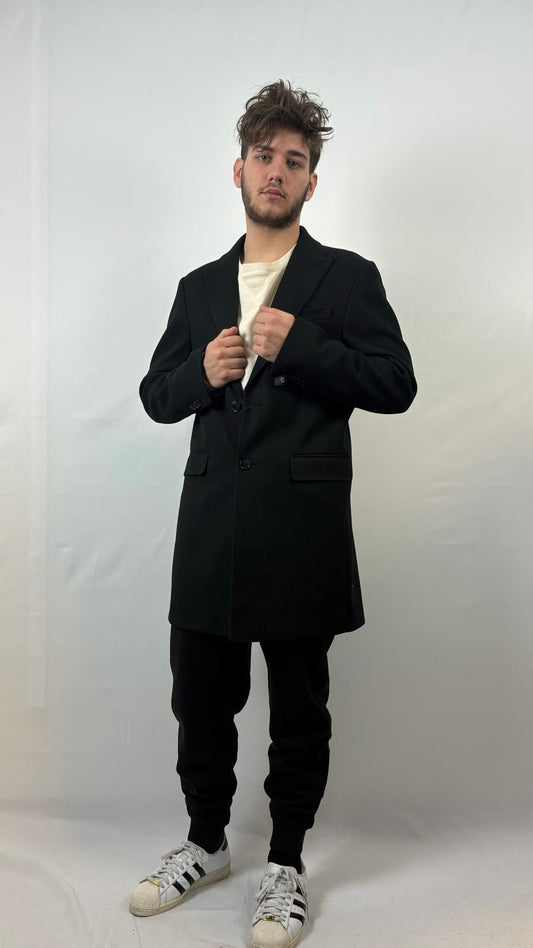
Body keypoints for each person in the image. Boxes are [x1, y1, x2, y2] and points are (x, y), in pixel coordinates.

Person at [130, 79, 417, 948]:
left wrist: (307, 346)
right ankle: (206, 844)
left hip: (302, 532)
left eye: (294, 160)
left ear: (311, 181)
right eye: (264, 156)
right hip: (210, 530)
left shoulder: (346, 277)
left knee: (298, 711)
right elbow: (155, 395)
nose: (276, 171)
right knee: (199, 702)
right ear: (239, 169)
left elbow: (395, 384)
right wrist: (199, 374)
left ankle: (285, 862)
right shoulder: (199, 287)